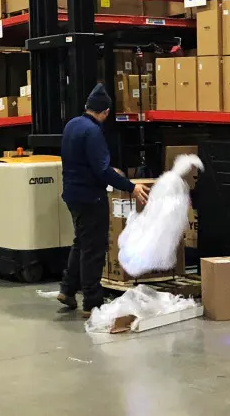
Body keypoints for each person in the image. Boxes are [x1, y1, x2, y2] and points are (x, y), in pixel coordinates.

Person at [58, 84, 149, 315]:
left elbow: (86, 162)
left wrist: (109, 169)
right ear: (105, 112)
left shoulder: (72, 125)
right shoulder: (93, 132)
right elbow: (101, 171)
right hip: (90, 198)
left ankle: (68, 290)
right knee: (94, 249)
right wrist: (131, 187)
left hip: (72, 195)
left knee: (81, 242)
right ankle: (92, 302)